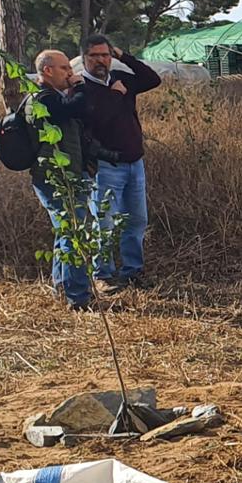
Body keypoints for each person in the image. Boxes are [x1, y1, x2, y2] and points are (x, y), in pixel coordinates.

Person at [77, 32, 161, 292]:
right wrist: (115, 96)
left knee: (136, 220)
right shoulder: (81, 89)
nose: (101, 60)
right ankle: (103, 274)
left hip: (135, 163)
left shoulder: (121, 79)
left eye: (106, 54)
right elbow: (98, 120)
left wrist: (125, 56)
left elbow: (152, 79)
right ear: (84, 58)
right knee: (105, 222)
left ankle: (132, 272)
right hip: (105, 167)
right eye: (95, 56)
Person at [24, 48, 97, 311]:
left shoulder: (55, 97)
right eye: (65, 68)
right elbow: (72, 108)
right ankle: (77, 297)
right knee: (74, 232)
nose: (71, 72)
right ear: (48, 71)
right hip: (55, 178)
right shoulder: (43, 99)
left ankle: (62, 286)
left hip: (68, 175)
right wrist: (80, 87)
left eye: (70, 68)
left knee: (65, 233)